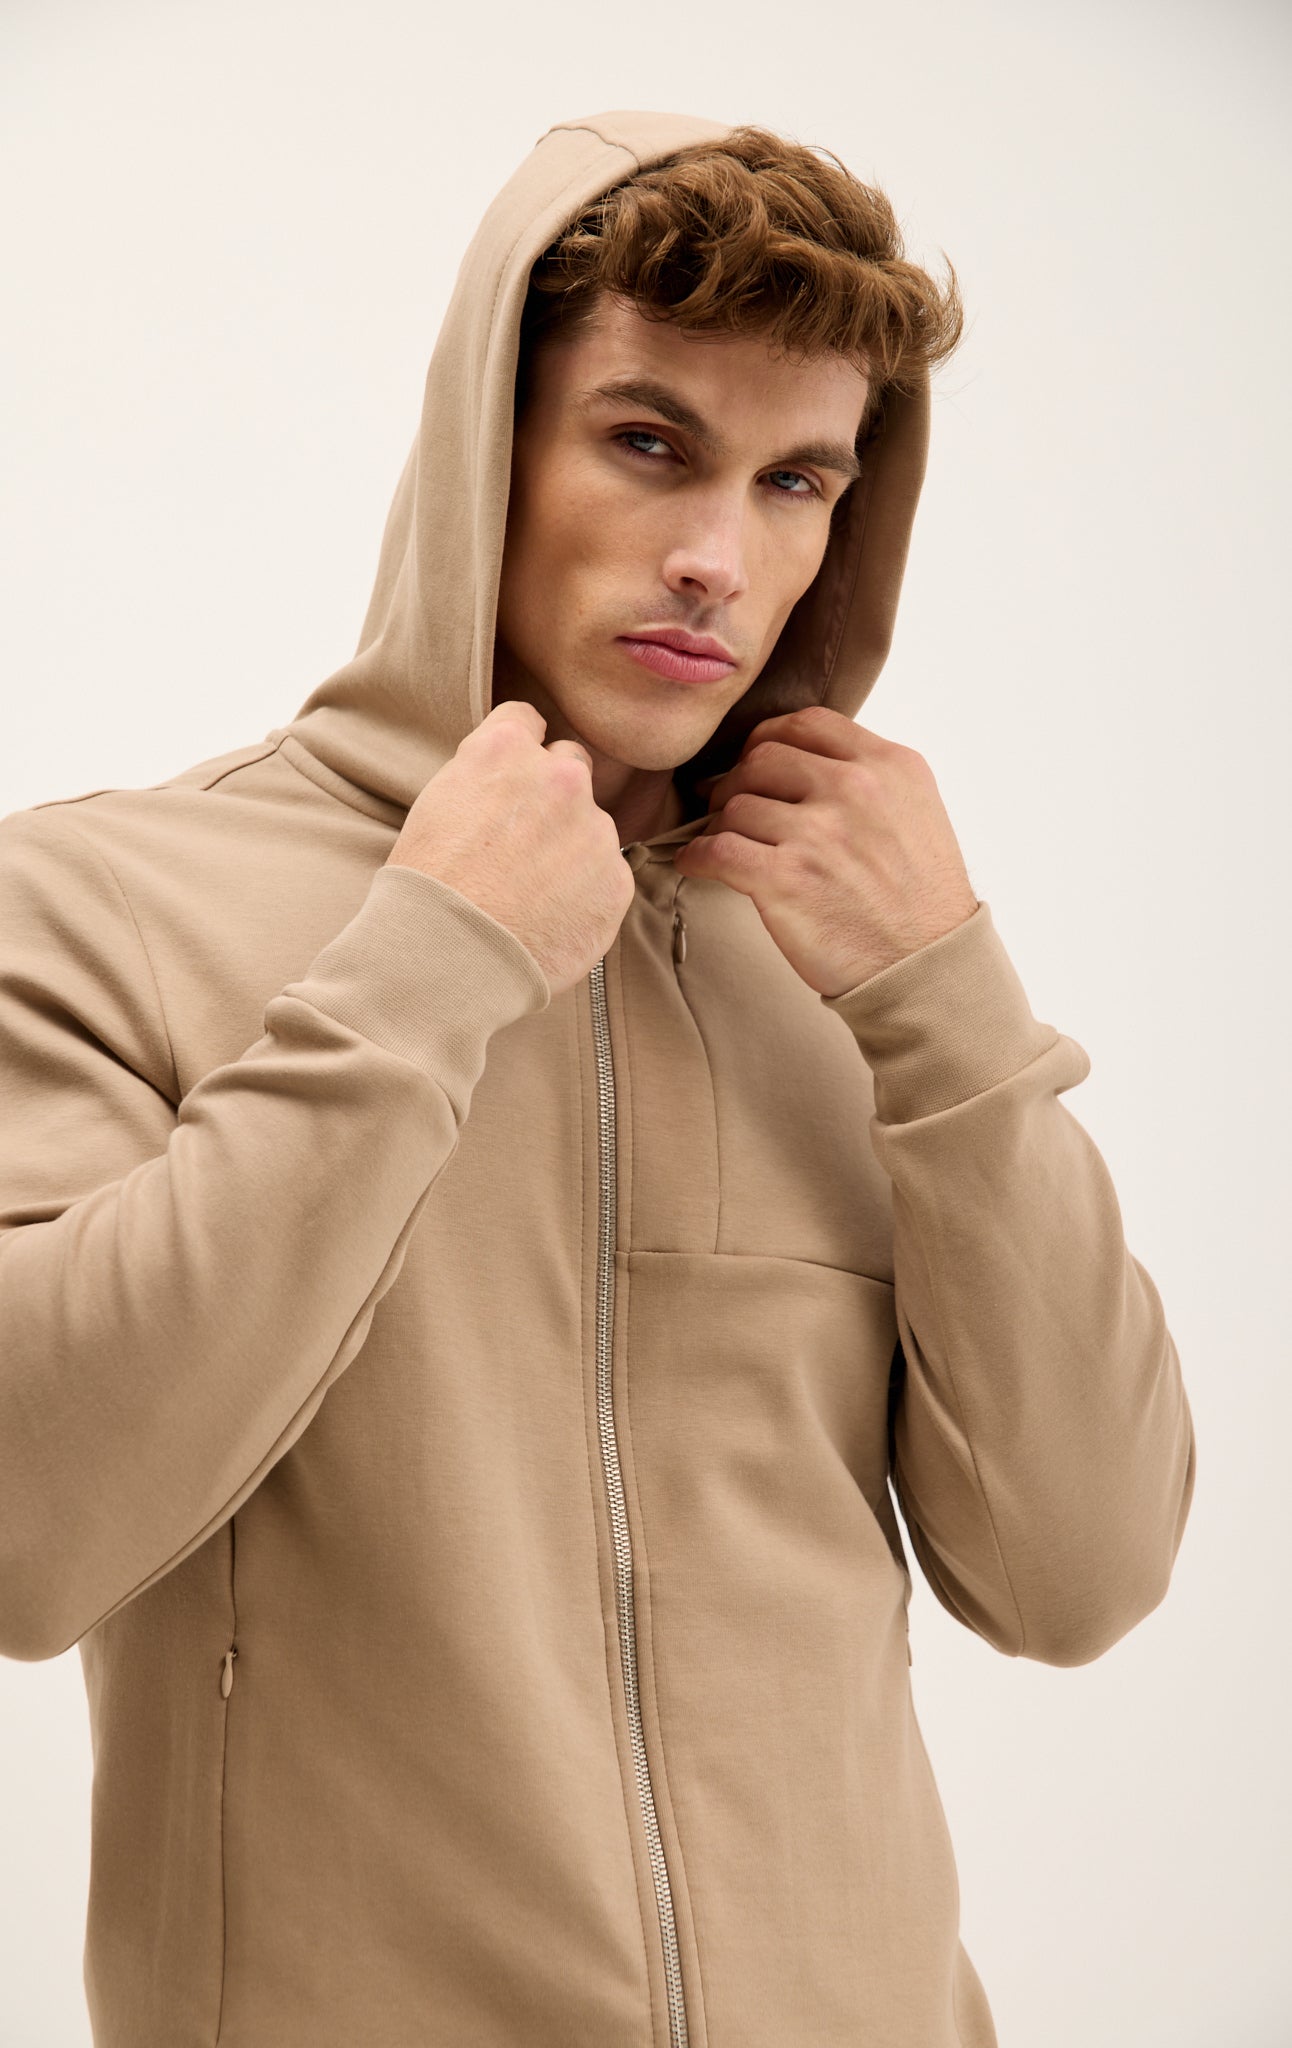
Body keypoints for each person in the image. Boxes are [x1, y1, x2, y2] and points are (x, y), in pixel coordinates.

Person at [0, 109, 1196, 2048]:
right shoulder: (102, 905)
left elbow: (1081, 1576)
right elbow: (26, 1524)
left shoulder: (854, 964)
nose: (718, 559)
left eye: (795, 481)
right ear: (488, 448)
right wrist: (429, 964)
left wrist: (949, 1011)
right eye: (648, 443)